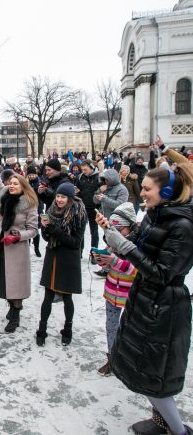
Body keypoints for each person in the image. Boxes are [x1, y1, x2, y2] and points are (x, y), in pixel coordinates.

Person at [96, 164, 193, 435]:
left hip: (165, 307)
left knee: (156, 375)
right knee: (145, 371)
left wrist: (125, 246)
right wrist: (113, 237)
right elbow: (136, 243)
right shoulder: (153, 214)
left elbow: (162, 273)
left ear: (168, 191)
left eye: (148, 189)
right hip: (144, 299)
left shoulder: (184, 226)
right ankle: (160, 422)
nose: (142, 193)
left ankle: (179, 431)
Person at [0, 156, 38, 333]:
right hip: (1, 245)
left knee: (16, 283)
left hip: (16, 249)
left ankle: (16, 315)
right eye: (11, 183)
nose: (12, 185)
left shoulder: (29, 204)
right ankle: (11, 307)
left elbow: (33, 230)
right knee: (4, 280)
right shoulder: (5, 194)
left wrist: (17, 236)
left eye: (16, 183)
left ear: (23, 186)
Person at [36, 182, 87, 347]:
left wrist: (55, 230)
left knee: (67, 297)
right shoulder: (51, 210)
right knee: (48, 296)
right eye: (58, 196)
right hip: (52, 255)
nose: (59, 199)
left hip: (68, 258)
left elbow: (75, 242)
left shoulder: (78, 213)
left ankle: (68, 329)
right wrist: (45, 229)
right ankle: (41, 330)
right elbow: (47, 238)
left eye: (63, 197)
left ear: (70, 198)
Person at [93, 202, 137, 377]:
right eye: (114, 229)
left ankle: (130, 360)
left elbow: (137, 270)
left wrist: (115, 261)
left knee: (131, 329)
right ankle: (112, 358)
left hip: (130, 295)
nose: (117, 234)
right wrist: (101, 259)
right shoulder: (112, 242)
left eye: (121, 229)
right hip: (112, 291)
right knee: (111, 327)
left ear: (131, 226)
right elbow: (107, 263)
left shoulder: (137, 245)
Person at [76, 160, 101, 262]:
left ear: (91, 167)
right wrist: (76, 192)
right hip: (82, 207)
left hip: (94, 208)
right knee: (80, 231)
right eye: (82, 169)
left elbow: (102, 190)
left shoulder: (98, 177)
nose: (84, 171)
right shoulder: (80, 177)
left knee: (94, 232)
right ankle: (79, 252)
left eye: (85, 169)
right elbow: (77, 190)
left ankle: (94, 254)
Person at [26, 165, 43, 258]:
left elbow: (41, 194)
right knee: (26, 229)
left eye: (33, 174)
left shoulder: (39, 181)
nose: (32, 176)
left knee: (35, 229)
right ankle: (26, 248)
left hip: (37, 207)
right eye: (30, 175)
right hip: (26, 208)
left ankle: (36, 248)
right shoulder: (25, 182)